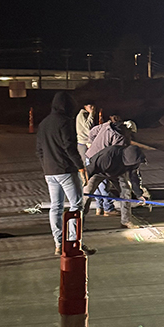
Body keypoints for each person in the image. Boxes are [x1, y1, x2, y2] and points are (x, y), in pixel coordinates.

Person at [36, 92, 95, 255]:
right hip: (66, 171)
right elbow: (69, 147)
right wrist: (81, 168)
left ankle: (58, 243)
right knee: (76, 206)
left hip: (50, 172)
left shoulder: (43, 123)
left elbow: (39, 150)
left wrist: (46, 167)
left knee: (56, 206)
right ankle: (74, 242)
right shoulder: (65, 122)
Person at [82, 144, 147, 229]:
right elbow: (90, 170)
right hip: (98, 172)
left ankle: (126, 221)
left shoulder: (133, 162)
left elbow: (134, 178)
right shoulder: (107, 157)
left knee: (126, 192)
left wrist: (139, 194)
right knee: (86, 194)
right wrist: (81, 184)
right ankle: (79, 223)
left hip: (118, 173)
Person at [75, 101, 115, 217]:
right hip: (85, 146)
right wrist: (92, 114)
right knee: (99, 179)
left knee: (96, 180)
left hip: (89, 147)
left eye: (93, 106)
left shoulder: (86, 115)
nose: (93, 108)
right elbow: (89, 129)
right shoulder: (82, 115)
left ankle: (101, 206)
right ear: (84, 106)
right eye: (90, 106)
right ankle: (106, 207)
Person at [86, 114, 129, 216]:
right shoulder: (120, 137)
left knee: (92, 188)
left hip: (90, 156)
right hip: (102, 162)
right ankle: (108, 208)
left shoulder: (106, 125)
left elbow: (92, 132)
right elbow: (115, 154)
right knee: (104, 186)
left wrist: (93, 144)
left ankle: (99, 208)